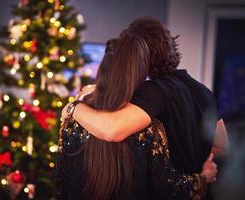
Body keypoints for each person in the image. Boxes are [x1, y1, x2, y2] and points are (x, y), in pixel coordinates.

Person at [56, 36, 217, 200]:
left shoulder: (73, 120)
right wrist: (203, 178)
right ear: (140, 72)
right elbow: (168, 189)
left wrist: (74, 105)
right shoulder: (148, 129)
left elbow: (63, 182)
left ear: (103, 67)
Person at [61, 16, 228, 174]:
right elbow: (222, 147)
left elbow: (111, 130)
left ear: (138, 53)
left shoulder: (154, 91)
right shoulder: (203, 91)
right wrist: (200, 174)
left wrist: (73, 107)